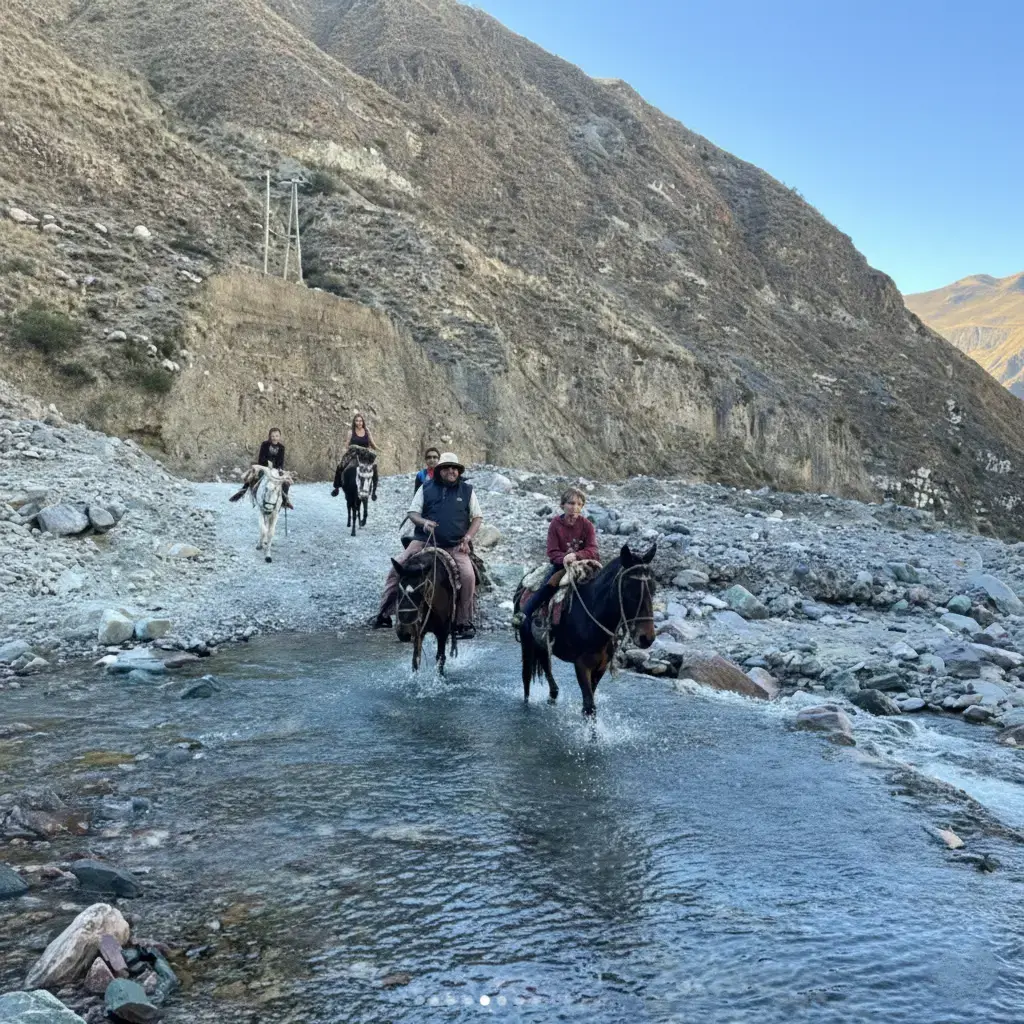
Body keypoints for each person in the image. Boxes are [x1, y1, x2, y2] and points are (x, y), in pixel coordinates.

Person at [375, 452, 482, 639]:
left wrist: (467, 537)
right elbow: (412, 513)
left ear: (458, 471)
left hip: (455, 544)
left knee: (468, 576)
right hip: (424, 540)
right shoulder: (426, 488)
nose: (452, 471)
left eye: (454, 468)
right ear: (440, 470)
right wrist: (423, 522)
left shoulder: (467, 490)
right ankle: (384, 613)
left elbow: (477, 517)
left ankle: (463, 621)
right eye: (447, 468)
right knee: (397, 567)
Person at [518, 487, 599, 629]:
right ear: (562, 505)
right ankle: (525, 614)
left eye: (579, 504)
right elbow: (552, 551)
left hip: (584, 565)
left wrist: (577, 555)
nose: (575, 507)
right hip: (562, 566)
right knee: (549, 584)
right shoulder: (556, 524)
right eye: (571, 503)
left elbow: (592, 549)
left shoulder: (587, 525)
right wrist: (564, 558)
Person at [229, 427, 294, 509]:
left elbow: (281, 462)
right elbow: (261, 458)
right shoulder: (265, 444)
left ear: (279, 436)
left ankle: (285, 500)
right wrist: (268, 464)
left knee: (286, 481)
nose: (274, 438)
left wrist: (279, 469)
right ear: (270, 436)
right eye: (273, 436)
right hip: (264, 466)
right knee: (253, 476)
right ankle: (243, 491)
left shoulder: (282, 447)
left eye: (277, 436)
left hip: (276, 469)